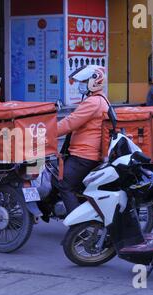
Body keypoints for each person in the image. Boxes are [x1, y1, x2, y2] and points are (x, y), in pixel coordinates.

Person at [55, 65, 109, 215]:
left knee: (64, 184)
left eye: (84, 81)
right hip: (86, 152)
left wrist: (45, 132)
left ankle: (78, 227)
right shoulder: (100, 99)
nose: (81, 85)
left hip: (84, 155)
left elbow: (69, 123)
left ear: (94, 82)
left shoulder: (93, 102)